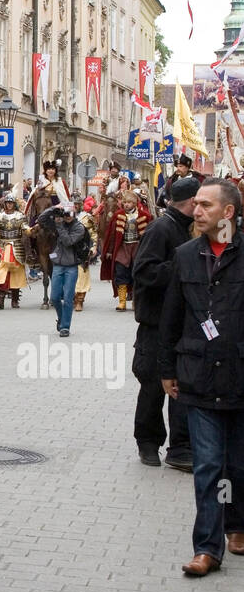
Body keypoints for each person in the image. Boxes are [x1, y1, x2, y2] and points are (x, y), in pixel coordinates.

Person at [159, 179, 244, 576]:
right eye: (196, 205)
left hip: (241, 376)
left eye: (206, 205)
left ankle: (237, 524)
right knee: (208, 465)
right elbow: (171, 317)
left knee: (239, 465)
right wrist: (166, 369)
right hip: (198, 376)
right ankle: (207, 548)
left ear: (228, 213)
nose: (197, 211)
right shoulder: (185, 255)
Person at [131, 175, 196, 470]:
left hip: (181, 326)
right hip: (156, 325)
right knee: (153, 387)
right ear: (192, 203)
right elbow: (144, 272)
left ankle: (181, 448)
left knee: (181, 388)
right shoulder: (161, 228)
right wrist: (184, 266)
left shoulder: (188, 229)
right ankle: (148, 443)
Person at [36, 200, 86, 337]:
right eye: (65, 213)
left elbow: (68, 241)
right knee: (55, 297)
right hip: (57, 265)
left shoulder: (79, 228)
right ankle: (61, 318)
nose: (68, 216)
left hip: (71, 266)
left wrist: (59, 226)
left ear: (74, 213)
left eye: (70, 213)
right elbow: (41, 219)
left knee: (69, 298)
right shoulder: (58, 222)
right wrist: (54, 208)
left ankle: (65, 327)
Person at [100, 188, 152, 310]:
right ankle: (122, 301)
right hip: (123, 248)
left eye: (129, 202)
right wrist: (109, 250)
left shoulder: (145, 216)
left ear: (134, 203)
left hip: (137, 249)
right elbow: (112, 234)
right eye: (125, 202)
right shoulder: (118, 215)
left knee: (137, 275)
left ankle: (135, 301)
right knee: (121, 273)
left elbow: (150, 235)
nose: (126, 204)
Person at [0, 191, 28, 308]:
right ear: (4, 204)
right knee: (0, 272)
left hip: (16, 246)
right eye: (7, 203)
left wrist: (32, 229)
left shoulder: (21, 216)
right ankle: (0, 298)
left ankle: (15, 300)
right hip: (3, 246)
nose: (9, 205)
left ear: (14, 204)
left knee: (16, 274)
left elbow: (25, 229)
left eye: (11, 203)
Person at [73, 195, 98, 312]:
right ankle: (72, 298)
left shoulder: (87, 217)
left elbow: (93, 234)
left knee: (82, 275)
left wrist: (93, 247)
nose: (75, 206)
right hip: (69, 251)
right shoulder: (66, 217)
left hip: (83, 250)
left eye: (77, 204)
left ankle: (80, 300)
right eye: (73, 204)